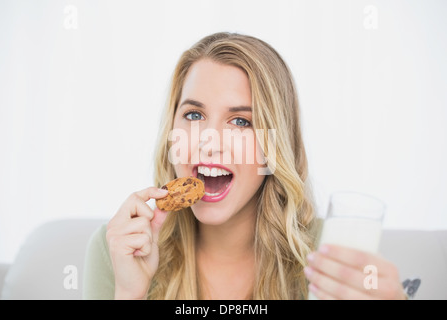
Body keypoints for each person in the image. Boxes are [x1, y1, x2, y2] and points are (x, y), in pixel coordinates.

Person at [83, 32, 406, 300]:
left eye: (241, 121)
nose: (209, 142)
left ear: (275, 147)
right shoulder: (122, 248)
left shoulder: (332, 256)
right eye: (194, 115)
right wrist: (129, 293)